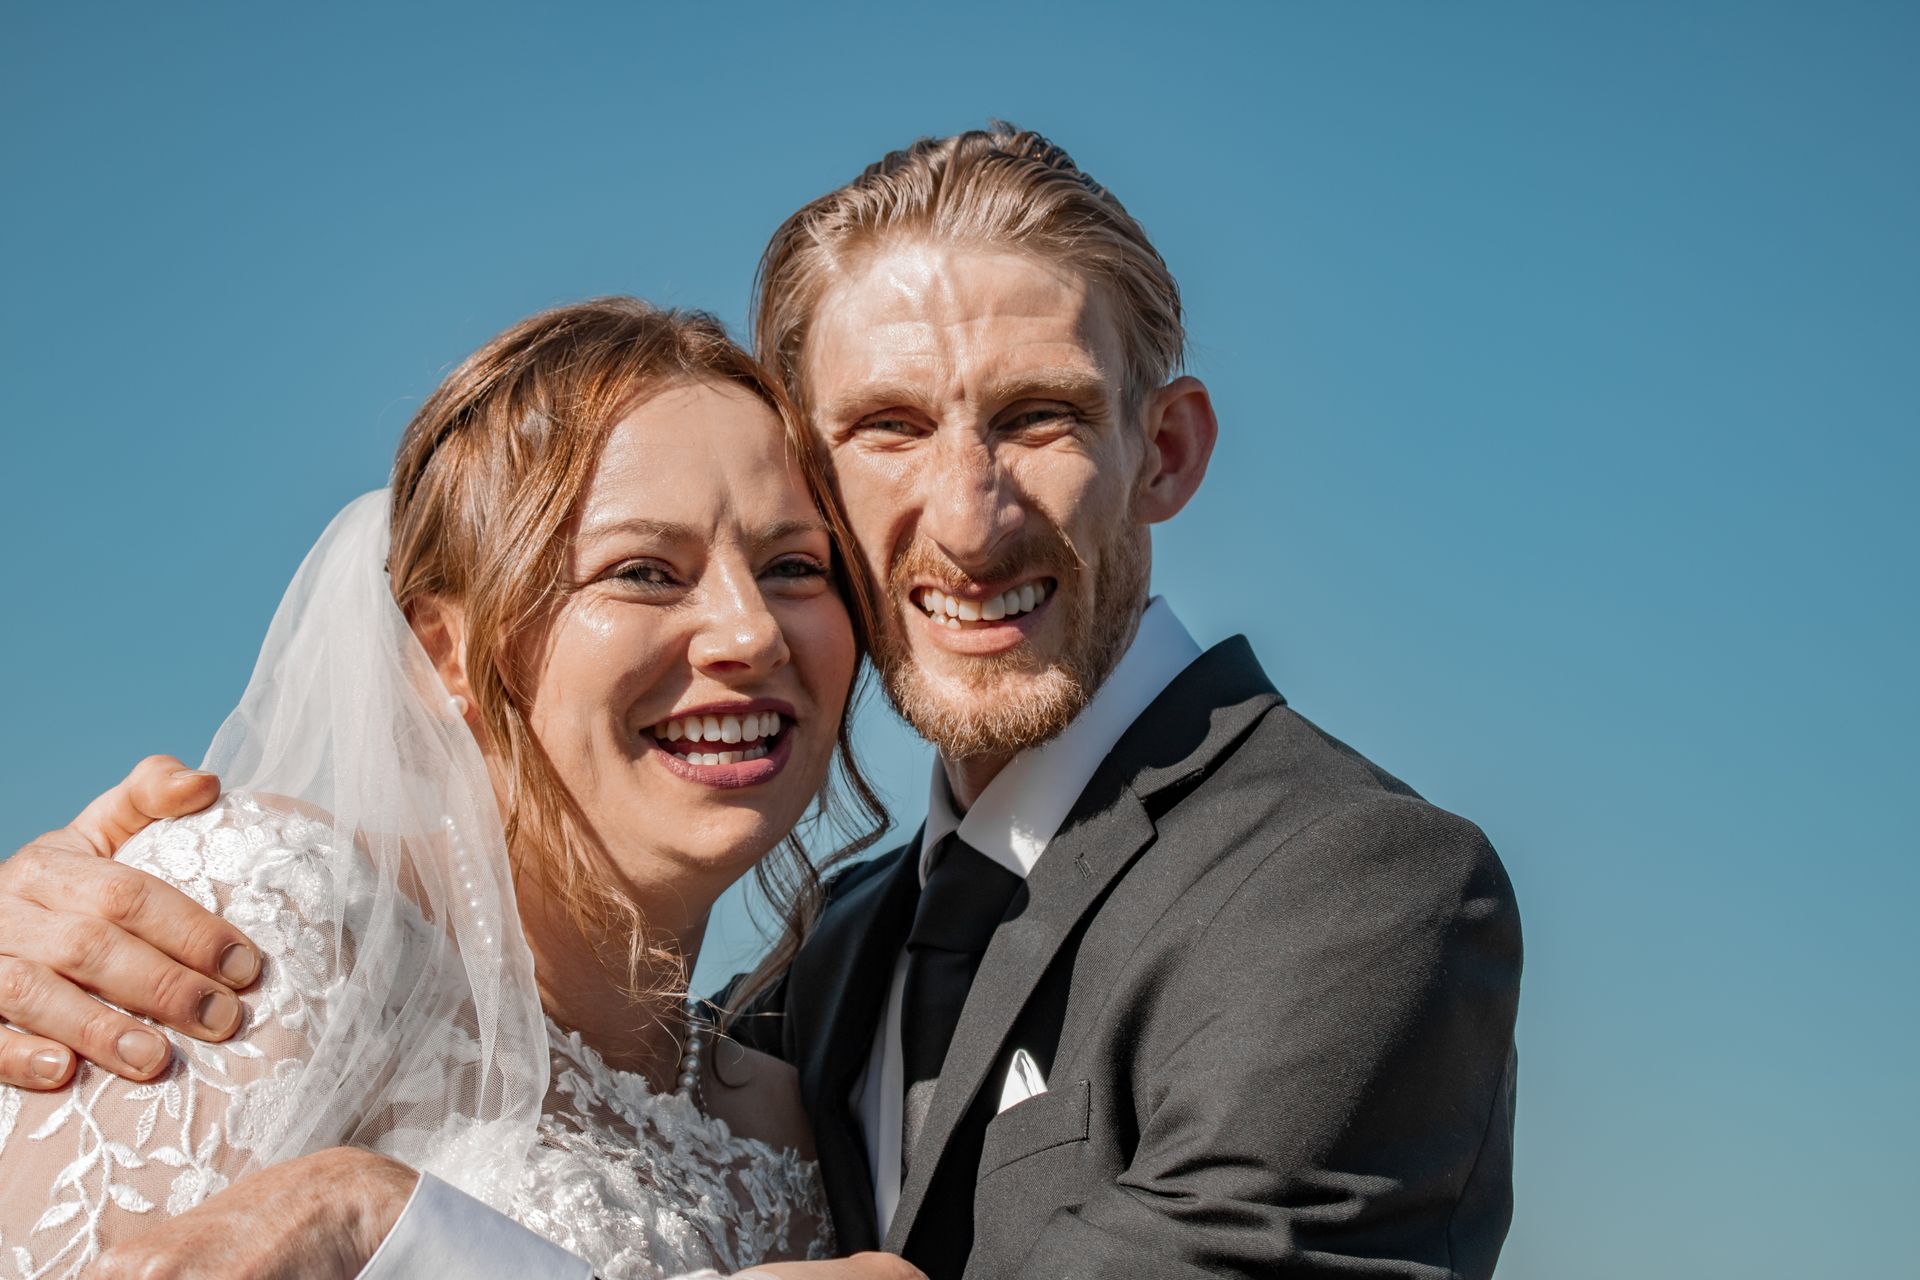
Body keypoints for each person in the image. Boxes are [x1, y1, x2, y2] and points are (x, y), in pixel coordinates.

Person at [2, 124, 1522, 1279]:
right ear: (454, 653)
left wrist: (389, 1229)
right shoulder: (822, 974)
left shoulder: (1357, 887)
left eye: (1042, 416)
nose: (970, 512)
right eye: (883, 430)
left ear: (1169, 452)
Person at [0, 298, 921, 1280]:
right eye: (646, 571)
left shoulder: (786, 1130)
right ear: (446, 650)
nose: (752, 633)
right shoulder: (272, 919)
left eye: (793, 566)